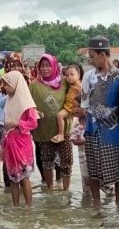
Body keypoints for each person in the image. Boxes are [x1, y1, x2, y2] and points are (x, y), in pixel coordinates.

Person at [82, 36, 119, 208]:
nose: (90, 60)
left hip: (113, 130)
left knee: (117, 169)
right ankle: (96, 203)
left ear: (102, 54)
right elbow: (85, 104)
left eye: (92, 56)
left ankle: (118, 204)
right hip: (92, 128)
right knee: (92, 169)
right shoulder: (88, 76)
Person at [29, 54, 72, 191]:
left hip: (63, 129)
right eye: (42, 66)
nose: (45, 68)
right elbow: (29, 104)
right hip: (44, 129)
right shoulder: (34, 85)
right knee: (47, 161)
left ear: (54, 66)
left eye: (48, 65)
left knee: (66, 161)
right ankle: (50, 189)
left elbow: (75, 95)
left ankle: (66, 191)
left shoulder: (64, 82)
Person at [1, 71, 39, 206]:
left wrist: (17, 123)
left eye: (7, 84)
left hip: (22, 142)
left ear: (15, 84)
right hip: (10, 141)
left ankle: (29, 206)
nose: (4, 87)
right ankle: (15, 206)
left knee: (23, 177)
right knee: (12, 177)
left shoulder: (27, 103)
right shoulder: (9, 101)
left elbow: (33, 123)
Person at [51, 64, 82, 143]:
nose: (69, 77)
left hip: (70, 108)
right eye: (67, 75)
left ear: (78, 75)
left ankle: (61, 134)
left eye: (72, 74)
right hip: (68, 106)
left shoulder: (79, 86)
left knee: (59, 115)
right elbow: (62, 78)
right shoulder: (70, 84)